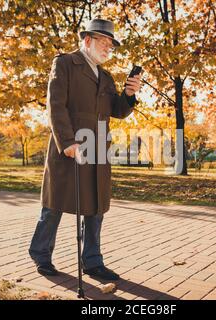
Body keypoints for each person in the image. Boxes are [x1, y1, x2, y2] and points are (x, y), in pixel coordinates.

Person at [28, 19, 142, 281]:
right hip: (70, 146)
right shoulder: (66, 63)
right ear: (87, 40)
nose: (108, 49)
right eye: (104, 43)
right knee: (54, 204)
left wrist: (129, 94)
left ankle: (92, 261)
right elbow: (55, 105)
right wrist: (66, 142)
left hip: (98, 149)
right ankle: (41, 254)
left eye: (111, 46)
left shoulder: (106, 76)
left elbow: (118, 111)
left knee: (96, 208)